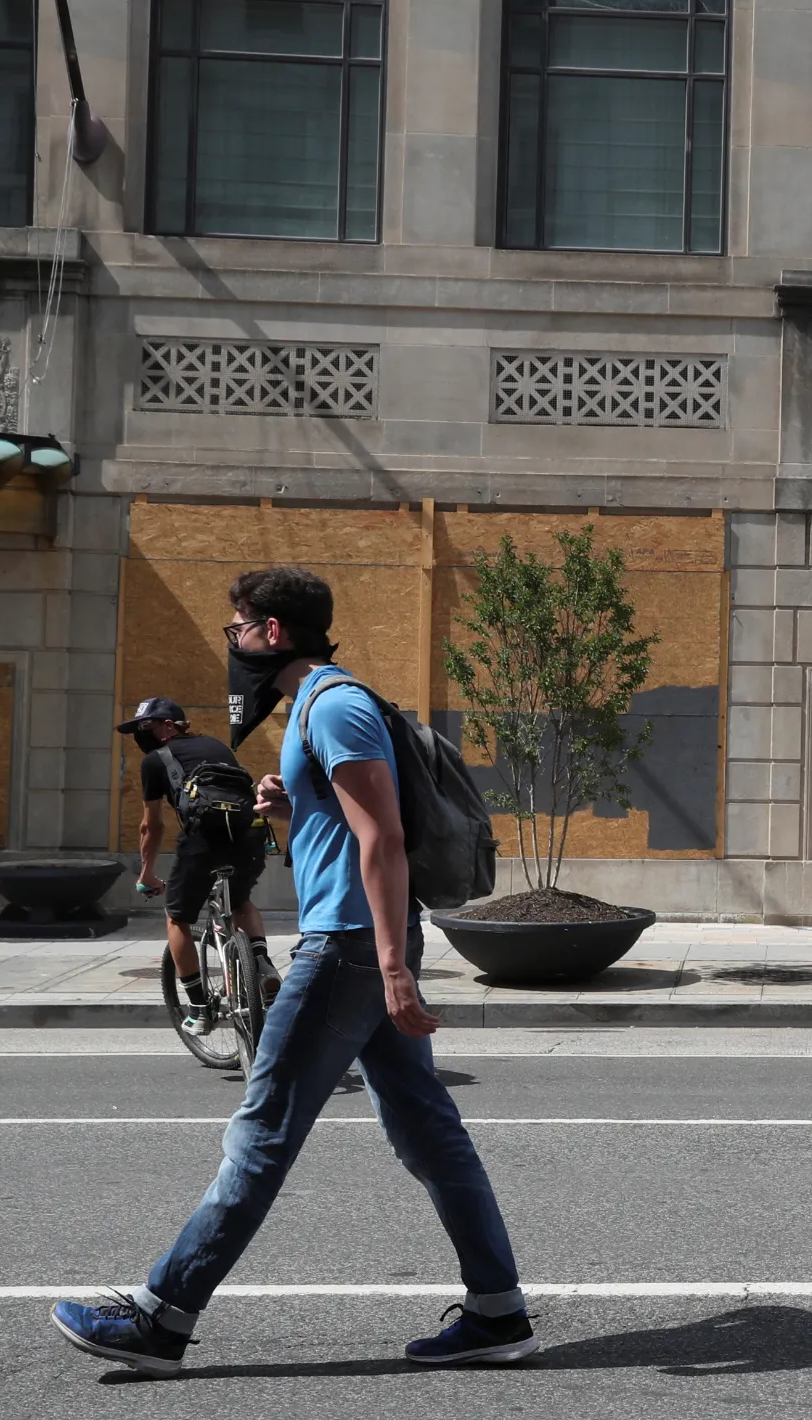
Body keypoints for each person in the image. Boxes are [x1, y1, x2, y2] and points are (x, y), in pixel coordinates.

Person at [53, 567, 535, 1374]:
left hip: (347, 947)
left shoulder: (335, 705)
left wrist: (391, 966)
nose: (234, 641)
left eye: (238, 626)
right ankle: (497, 1311)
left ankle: (161, 1317)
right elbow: (350, 831)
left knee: (263, 1130)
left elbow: (381, 838)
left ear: (273, 632)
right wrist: (292, 810)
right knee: (429, 1133)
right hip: (358, 942)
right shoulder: (319, 707)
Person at [120, 696, 279, 1017]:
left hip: (204, 836)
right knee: (240, 900)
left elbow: (151, 826)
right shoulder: (216, 746)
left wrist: (147, 875)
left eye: (146, 727)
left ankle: (198, 1007)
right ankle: (262, 964)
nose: (141, 734)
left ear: (169, 726)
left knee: (177, 917)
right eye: (137, 729)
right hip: (250, 832)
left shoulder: (154, 761)